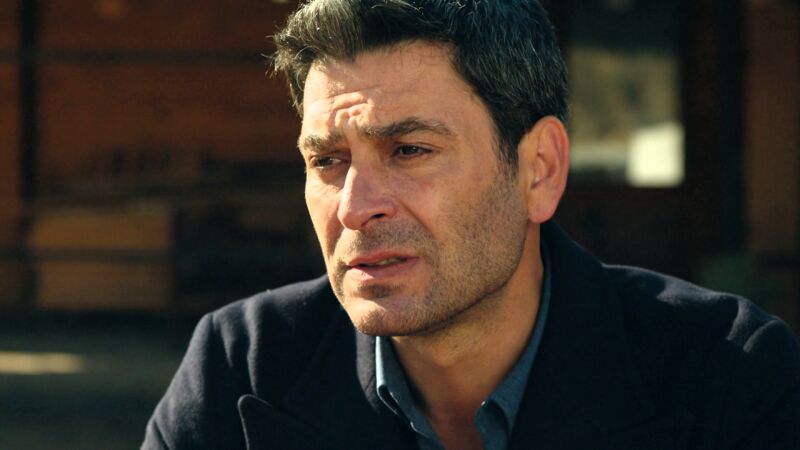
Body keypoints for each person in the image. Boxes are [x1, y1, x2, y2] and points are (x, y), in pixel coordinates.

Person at [143, 1, 800, 449]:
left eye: (410, 150)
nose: (354, 206)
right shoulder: (242, 370)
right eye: (327, 161)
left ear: (539, 170)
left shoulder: (729, 378)